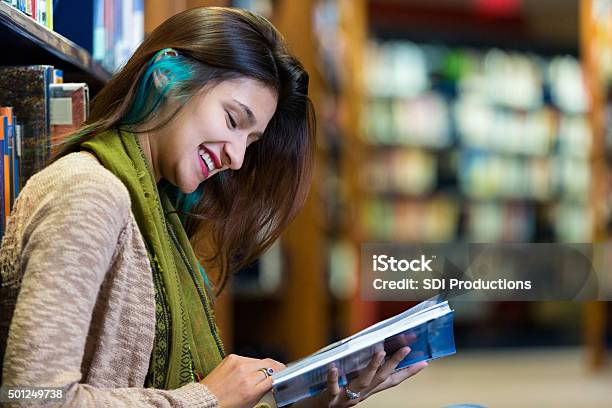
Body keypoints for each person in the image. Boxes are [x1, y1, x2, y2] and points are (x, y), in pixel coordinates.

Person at [0, 7, 426, 408]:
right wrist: (207, 398)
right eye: (232, 120)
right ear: (166, 74)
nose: (237, 158)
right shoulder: (88, 193)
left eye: (251, 140)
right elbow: (32, 396)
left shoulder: (161, 211)